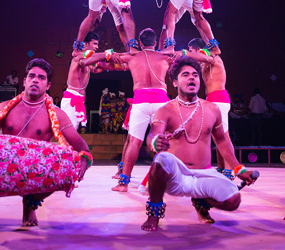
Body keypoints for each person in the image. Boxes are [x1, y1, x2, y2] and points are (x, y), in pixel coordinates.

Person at [0, 59, 91, 232]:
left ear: (48, 85)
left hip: (36, 171)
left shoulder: (57, 114)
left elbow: (80, 144)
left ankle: (29, 205)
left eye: (41, 78)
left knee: (67, 168)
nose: (35, 80)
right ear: (24, 81)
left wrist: (85, 159)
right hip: (3, 166)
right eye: (31, 76)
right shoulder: (4, 108)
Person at [141, 57, 256, 231]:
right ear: (174, 82)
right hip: (177, 177)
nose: (192, 78)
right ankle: (153, 214)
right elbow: (153, 133)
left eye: (195, 75)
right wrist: (156, 142)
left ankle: (201, 200)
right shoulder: (166, 110)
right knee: (162, 160)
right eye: (185, 75)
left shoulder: (212, 109)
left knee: (233, 200)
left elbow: (222, 141)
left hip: (202, 174)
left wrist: (239, 169)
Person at [101, 29, 175, 191]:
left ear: (140, 43)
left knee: (134, 141)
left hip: (140, 101)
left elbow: (107, 61)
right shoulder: (165, 56)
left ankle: (123, 183)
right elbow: (186, 58)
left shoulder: (132, 56)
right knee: (160, 141)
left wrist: (106, 54)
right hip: (161, 102)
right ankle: (160, 180)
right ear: (155, 43)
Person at [175, 38, 235, 175]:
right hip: (211, 100)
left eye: (191, 51)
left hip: (220, 99)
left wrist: (184, 52)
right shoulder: (203, 63)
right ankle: (221, 167)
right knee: (217, 136)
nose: (191, 53)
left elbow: (199, 55)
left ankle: (229, 170)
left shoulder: (213, 57)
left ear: (198, 50)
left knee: (224, 137)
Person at [62, 32, 122, 131]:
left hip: (80, 99)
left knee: (73, 133)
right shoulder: (79, 57)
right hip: (72, 100)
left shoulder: (90, 60)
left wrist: (113, 62)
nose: (97, 47)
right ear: (86, 44)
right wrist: (106, 54)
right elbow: (89, 61)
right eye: (95, 44)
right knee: (69, 133)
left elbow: (97, 68)